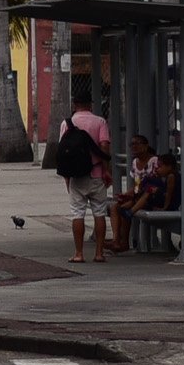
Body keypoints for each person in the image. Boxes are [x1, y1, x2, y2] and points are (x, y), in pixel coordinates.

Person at [57, 93, 113, 263]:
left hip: (76, 175)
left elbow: (63, 152)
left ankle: (79, 253)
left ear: (75, 105)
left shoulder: (67, 123)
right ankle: (99, 253)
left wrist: (67, 177)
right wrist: (106, 170)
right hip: (96, 173)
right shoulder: (100, 121)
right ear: (90, 104)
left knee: (77, 214)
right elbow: (104, 145)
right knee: (99, 213)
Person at [111, 135, 160, 251]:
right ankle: (116, 239)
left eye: (137, 143)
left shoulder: (154, 161)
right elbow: (137, 185)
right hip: (138, 195)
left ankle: (123, 242)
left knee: (123, 209)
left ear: (146, 145)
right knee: (115, 207)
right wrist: (127, 194)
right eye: (131, 144)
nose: (134, 147)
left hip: (150, 196)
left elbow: (154, 183)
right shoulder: (134, 162)